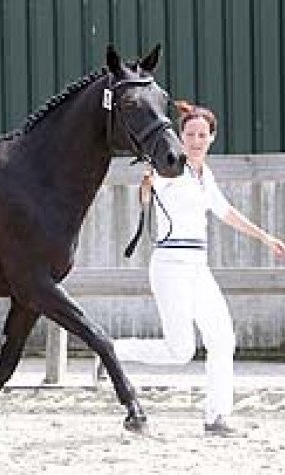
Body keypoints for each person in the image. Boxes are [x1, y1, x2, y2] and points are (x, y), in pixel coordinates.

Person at [105, 100, 285, 435]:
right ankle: (112, 351)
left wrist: (267, 239)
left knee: (222, 339)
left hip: (198, 268)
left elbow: (227, 212)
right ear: (181, 136)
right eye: (190, 133)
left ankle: (217, 417)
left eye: (203, 134)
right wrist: (146, 189)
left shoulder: (206, 175)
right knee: (180, 351)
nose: (196, 139)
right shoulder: (169, 166)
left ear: (212, 138)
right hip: (170, 266)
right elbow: (148, 192)